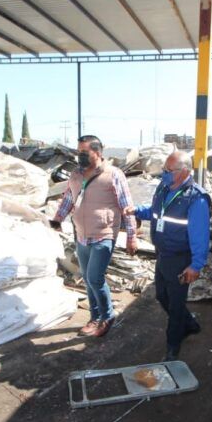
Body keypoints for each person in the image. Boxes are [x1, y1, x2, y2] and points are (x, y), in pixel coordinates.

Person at [125, 152, 211, 361]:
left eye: (168, 171)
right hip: (163, 254)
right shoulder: (163, 188)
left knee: (175, 303)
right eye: (163, 169)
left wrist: (196, 265)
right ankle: (190, 324)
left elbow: (200, 236)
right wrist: (137, 210)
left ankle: (173, 346)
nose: (164, 174)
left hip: (181, 259)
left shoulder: (196, 198)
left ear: (185, 172)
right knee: (161, 296)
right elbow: (156, 212)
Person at [51, 135, 138, 338]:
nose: (79, 156)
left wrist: (132, 236)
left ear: (98, 153)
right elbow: (68, 200)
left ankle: (107, 317)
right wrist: (57, 219)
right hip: (81, 236)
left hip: (104, 235)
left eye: (84, 153)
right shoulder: (76, 175)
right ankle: (94, 317)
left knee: (95, 278)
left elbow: (127, 207)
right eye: (78, 152)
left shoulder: (114, 175)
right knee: (88, 280)